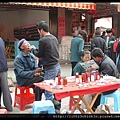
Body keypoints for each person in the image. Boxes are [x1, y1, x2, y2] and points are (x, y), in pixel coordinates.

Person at [31, 21, 61, 114]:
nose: (39, 33)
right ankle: (57, 107)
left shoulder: (43, 40)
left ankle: (50, 111)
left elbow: (39, 54)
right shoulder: (54, 38)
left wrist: (33, 49)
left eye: (39, 31)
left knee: (48, 90)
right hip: (57, 66)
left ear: (42, 30)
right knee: (55, 88)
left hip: (50, 68)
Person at [0, 37, 13, 112]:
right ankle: (9, 107)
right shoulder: (1, 39)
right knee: (5, 88)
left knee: (4, 88)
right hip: (3, 66)